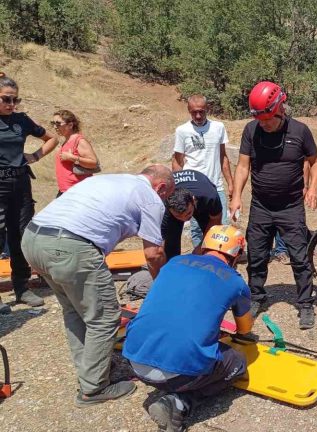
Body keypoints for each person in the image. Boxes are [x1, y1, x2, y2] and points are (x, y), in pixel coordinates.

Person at [21, 165, 173, 406]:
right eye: (166, 195)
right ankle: (93, 388)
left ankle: (90, 369)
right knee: (105, 317)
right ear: (161, 187)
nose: (164, 200)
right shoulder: (151, 197)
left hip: (33, 239)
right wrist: (165, 289)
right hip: (69, 245)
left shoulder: (114, 180)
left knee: (75, 310)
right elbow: (153, 253)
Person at [123, 225, 253, 432]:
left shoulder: (174, 262)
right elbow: (244, 329)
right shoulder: (235, 282)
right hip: (178, 373)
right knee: (238, 363)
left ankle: (175, 393)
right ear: (236, 255)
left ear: (204, 246)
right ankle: (180, 402)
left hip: (134, 358)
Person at [229, 81, 317, 330]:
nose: (264, 124)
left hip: (291, 206)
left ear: (280, 109)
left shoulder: (300, 131)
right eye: (259, 119)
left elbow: (315, 163)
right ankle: (256, 297)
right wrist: (236, 196)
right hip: (261, 205)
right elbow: (243, 166)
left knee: (299, 256)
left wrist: (313, 188)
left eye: (268, 119)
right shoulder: (251, 130)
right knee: (257, 255)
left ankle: (305, 304)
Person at [0, 73, 58, 313]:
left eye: (15, 100)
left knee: (22, 236)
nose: (11, 104)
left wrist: (35, 156)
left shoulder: (21, 120)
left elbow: (51, 139)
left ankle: (22, 288)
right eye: (6, 99)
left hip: (21, 183)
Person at [172, 95, 234, 249]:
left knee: (220, 226)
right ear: (189, 110)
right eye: (194, 112)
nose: (198, 116)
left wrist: (231, 184)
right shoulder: (182, 131)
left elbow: (223, 156)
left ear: (208, 109)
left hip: (215, 185)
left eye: (201, 111)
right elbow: (178, 161)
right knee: (196, 228)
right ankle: (199, 258)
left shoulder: (218, 127)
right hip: (192, 189)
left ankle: (217, 257)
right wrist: (178, 188)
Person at [162, 169, 222, 260]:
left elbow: (216, 220)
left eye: (188, 213)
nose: (184, 220)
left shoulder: (209, 196)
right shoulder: (162, 204)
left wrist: (201, 247)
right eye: (178, 216)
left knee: (213, 237)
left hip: (200, 196)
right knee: (170, 243)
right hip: (174, 203)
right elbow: (160, 240)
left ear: (193, 200)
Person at [52, 109, 100, 196]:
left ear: (70, 125)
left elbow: (94, 163)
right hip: (67, 190)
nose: (55, 127)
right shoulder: (67, 140)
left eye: (58, 124)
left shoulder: (79, 141)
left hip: (78, 191)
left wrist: (72, 158)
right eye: (53, 123)